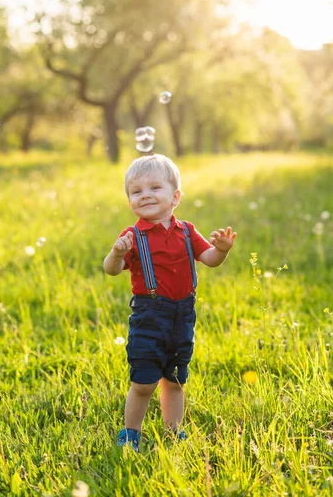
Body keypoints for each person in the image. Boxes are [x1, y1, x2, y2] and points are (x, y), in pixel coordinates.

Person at [103, 154, 237, 452]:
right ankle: (130, 433)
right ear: (129, 202)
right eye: (136, 191)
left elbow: (210, 260)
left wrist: (223, 250)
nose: (145, 195)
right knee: (144, 382)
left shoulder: (187, 230)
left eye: (154, 188)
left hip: (182, 315)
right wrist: (115, 253)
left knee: (174, 379)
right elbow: (111, 269)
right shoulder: (132, 236)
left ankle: (174, 431)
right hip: (150, 316)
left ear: (175, 197)